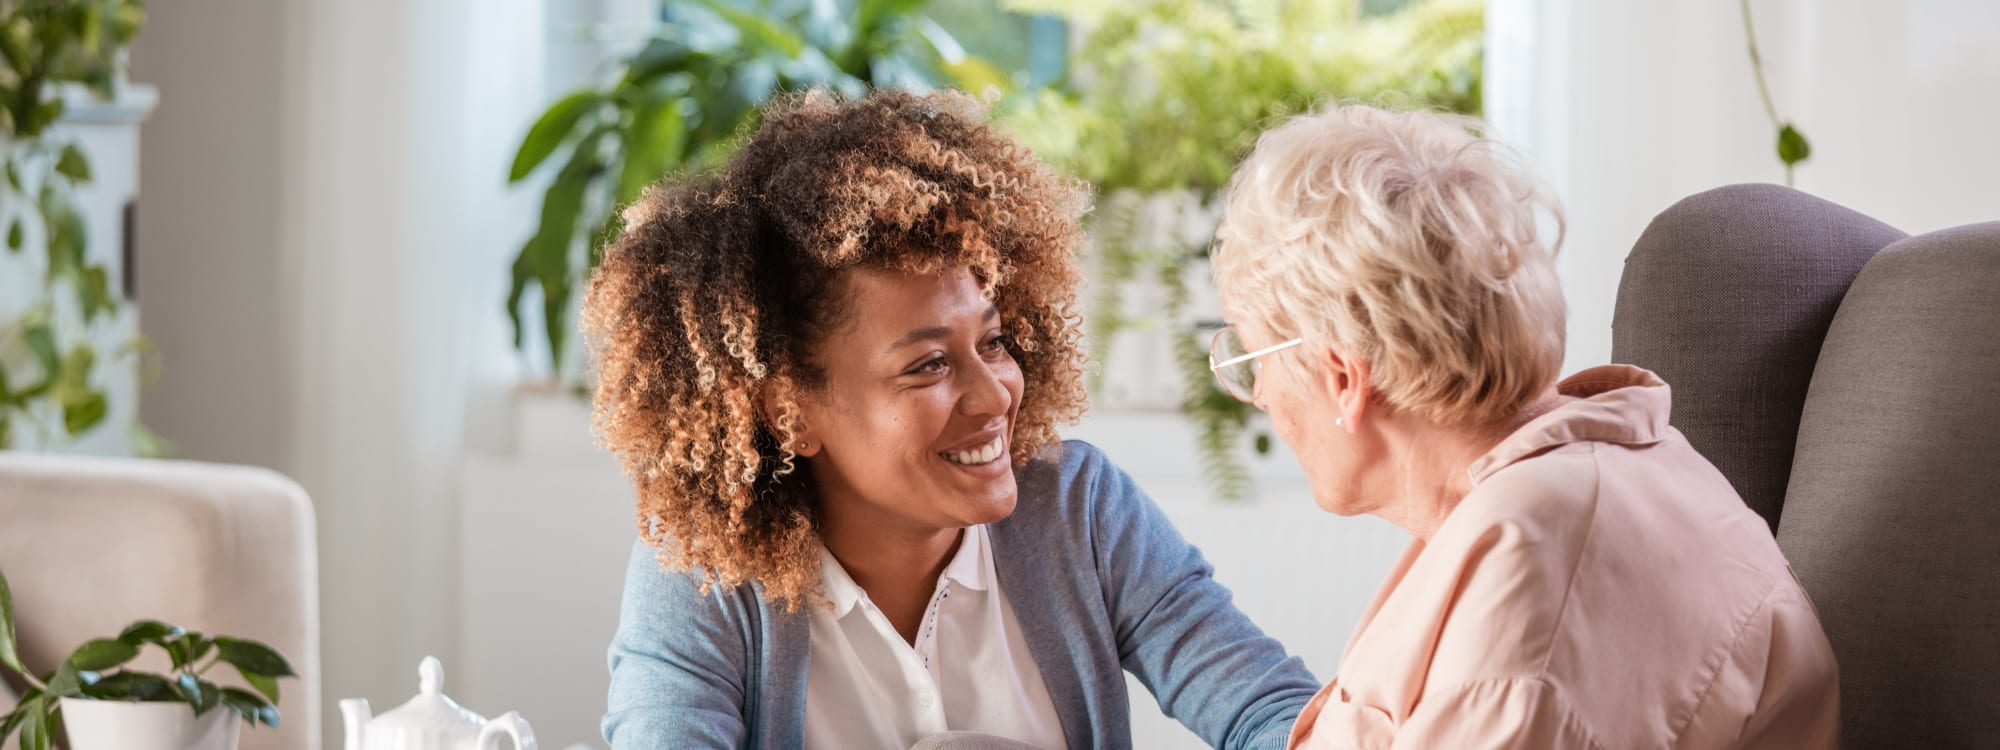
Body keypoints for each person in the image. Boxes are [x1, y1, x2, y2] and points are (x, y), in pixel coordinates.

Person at [585, 88, 1318, 750]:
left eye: (993, 343)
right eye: (927, 365)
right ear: (789, 410)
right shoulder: (706, 573)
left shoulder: (1078, 511)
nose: (996, 394)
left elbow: (1270, 716)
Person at [1206, 103, 1840, 749]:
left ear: (1343, 377)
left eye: (1252, 359)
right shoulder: (1568, 487)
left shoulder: (1535, 581)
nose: (1256, 395)